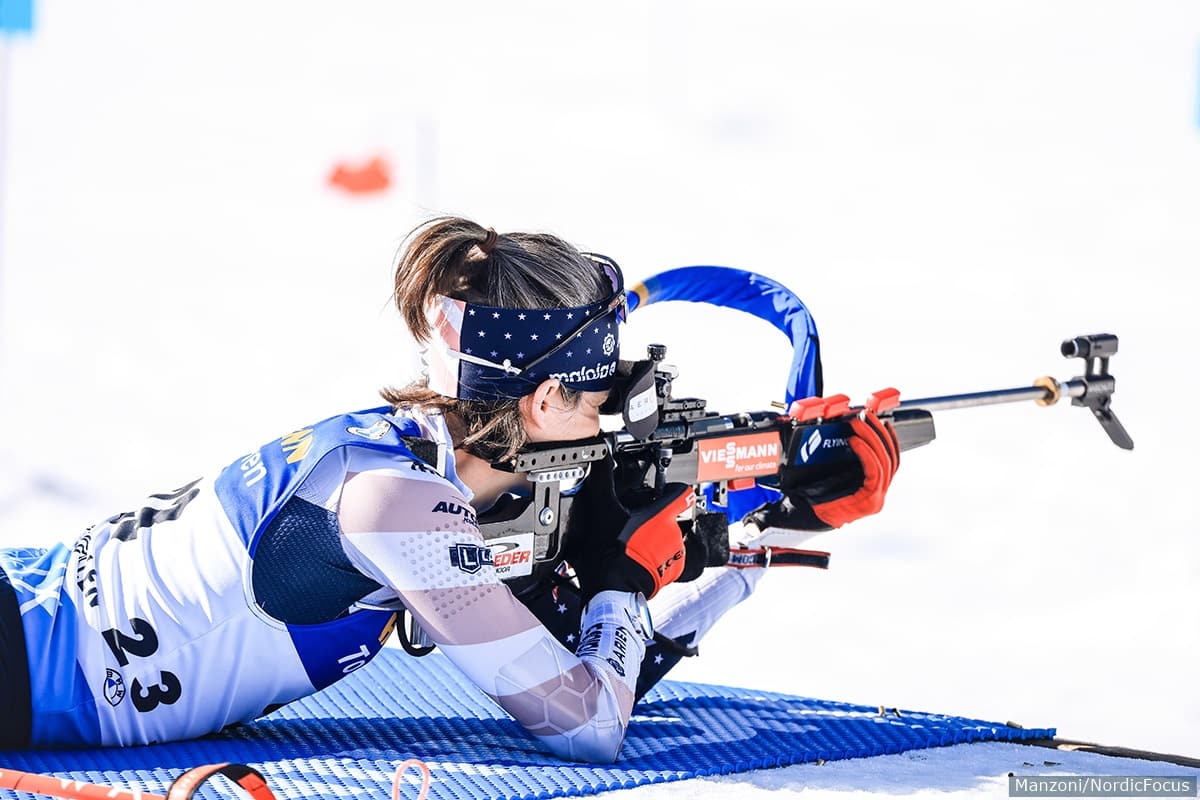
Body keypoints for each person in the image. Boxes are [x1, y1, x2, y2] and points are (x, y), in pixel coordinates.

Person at [0, 217, 900, 762]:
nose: (609, 424)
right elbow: (586, 724)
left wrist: (764, 518)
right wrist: (624, 578)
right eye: (600, 400)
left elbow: (576, 650)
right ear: (544, 400)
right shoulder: (399, 508)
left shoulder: (414, 458)